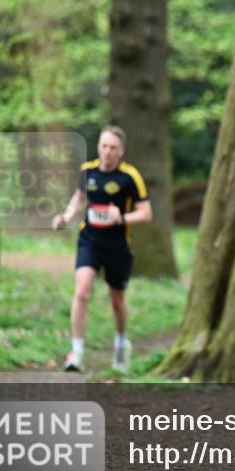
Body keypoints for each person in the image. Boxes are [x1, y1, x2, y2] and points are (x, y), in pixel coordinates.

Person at [52, 126, 152, 373]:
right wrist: (65, 217)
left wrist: (122, 217)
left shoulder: (130, 177)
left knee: (116, 300)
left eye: (113, 148)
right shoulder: (88, 171)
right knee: (82, 291)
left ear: (121, 151)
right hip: (90, 240)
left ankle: (120, 343)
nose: (108, 152)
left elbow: (146, 213)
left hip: (118, 245)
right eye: (104, 146)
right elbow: (79, 199)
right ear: (98, 147)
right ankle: (76, 352)